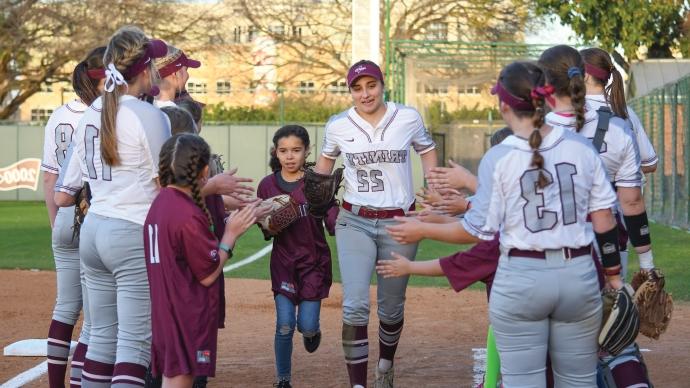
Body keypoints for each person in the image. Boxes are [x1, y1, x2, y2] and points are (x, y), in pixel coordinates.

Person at [383, 61, 625, 387]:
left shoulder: (498, 157)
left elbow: (476, 231)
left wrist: (424, 228)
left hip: (521, 277)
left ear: (503, 105)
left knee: (521, 381)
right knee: (580, 381)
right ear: (547, 99)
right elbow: (605, 220)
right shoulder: (582, 148)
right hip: (578, 274)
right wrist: (613, 277)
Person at [54, 26, 170, 386]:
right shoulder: (149, 114)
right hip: (131, 231)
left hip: (93, 229)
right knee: (133, 345)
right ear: (144, 68)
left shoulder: (92, 112)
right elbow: (165, 189)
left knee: (101, 339)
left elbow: (65, 190)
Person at [314, 60, 437, 388]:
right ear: (350, 91)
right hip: (355, 221)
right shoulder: (339, 125)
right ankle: (358, 384)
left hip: (401, 223)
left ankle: (386, 363)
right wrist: (324, 204)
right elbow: (323, 168)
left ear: (383, 85)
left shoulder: (407, 117)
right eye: (357, 88)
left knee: (391, 307)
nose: (365, 93)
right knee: (354, 305)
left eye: (371, 85)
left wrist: (433, 191)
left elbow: (427, 150)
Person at [145, 133, 258, 388]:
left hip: (165, 310)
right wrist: (230, 235)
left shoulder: (160, 203)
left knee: (170, 376)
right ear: (205, 170)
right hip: (185, 313)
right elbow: (208, 274)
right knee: (180, 378)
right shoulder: (186, 213)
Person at [41, 46, 105, 388]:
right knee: (94, 321)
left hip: (65, 215)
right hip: (96, 217)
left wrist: (58, 226)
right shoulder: (109, 113)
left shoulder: (58, 115)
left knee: (64, 308)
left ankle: (55, 385)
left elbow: (51, 179)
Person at [257, 125, 337, 388]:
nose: (289, 156)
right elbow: (264, 228)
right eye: (283, 151)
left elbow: (332, 221)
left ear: (307, 151)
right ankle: (283, 380)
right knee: (285, 324)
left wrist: (335, 214)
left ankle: (312, 332)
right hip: (283, 264)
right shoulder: (267, 186)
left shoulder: (316, 182)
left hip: (314, 263)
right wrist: (269, 223)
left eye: (296, 150)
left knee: (307, 324)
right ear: (275, 153)